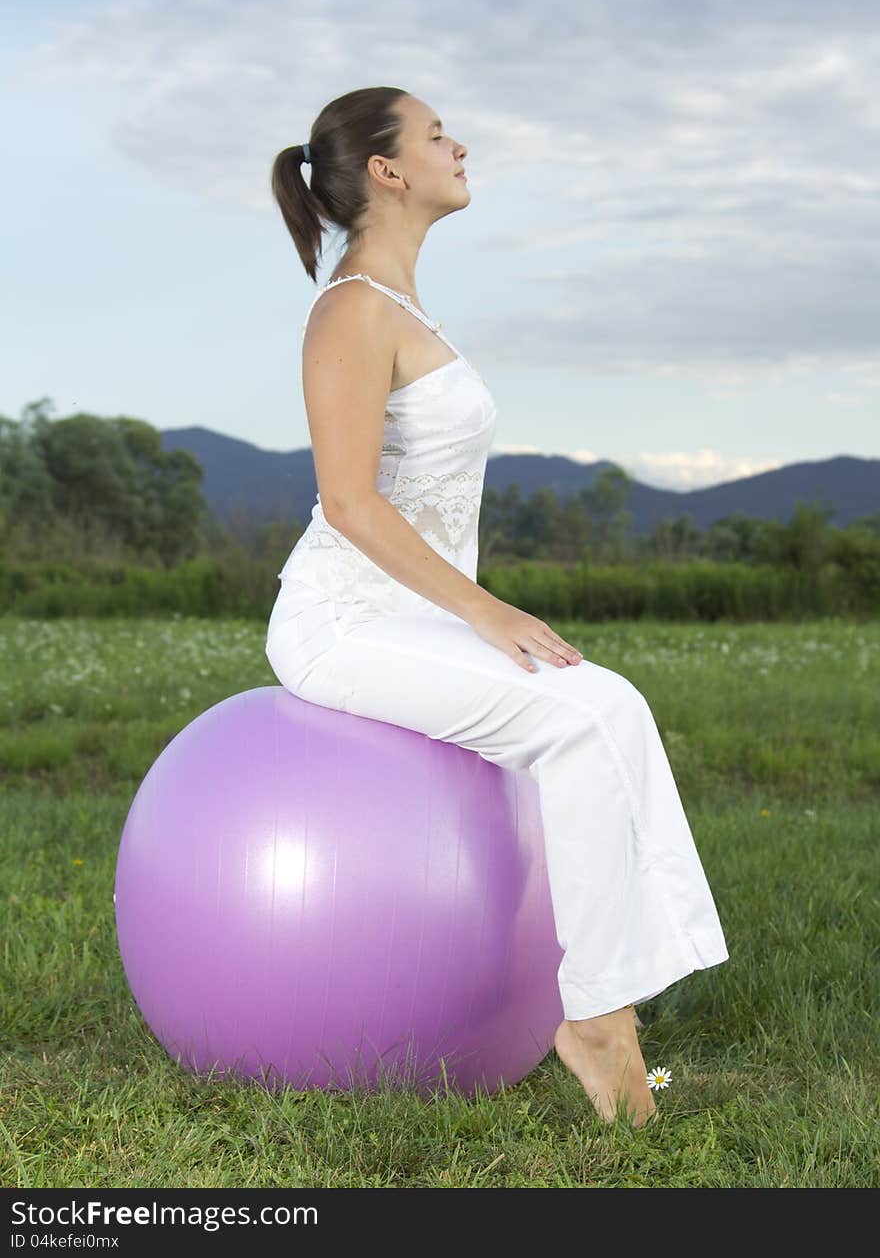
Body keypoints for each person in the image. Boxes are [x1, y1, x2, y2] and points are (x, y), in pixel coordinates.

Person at [265, 86, 729, 1127]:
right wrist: (483, 611)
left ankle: (611, 1002)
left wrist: (466, 612)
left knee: (609, 701)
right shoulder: (349, 309)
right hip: (342, 622)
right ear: (387, 171)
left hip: (408, 617)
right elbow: (347, 500)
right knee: (589, 714)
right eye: (435, 134)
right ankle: (597, 1019)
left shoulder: (401, 307)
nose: (457, 144)